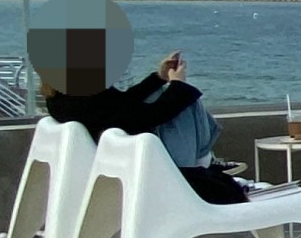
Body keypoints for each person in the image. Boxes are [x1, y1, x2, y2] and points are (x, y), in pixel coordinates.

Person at [43, 48, 247, 205]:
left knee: (168, 95)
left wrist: (160, 77)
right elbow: (151, 115)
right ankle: (205, 159)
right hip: (142, 166)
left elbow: (122, 105)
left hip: (117, 160)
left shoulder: (62, 97)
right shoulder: (84, 99)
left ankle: (206, 158)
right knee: (186, 102)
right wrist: (178, 85)